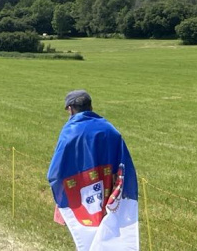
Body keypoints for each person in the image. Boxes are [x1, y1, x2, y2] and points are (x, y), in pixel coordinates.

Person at [47, 90, 139, 251]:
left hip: (82, 194)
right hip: (108, 191)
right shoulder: (110, 129)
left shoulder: (70, 132)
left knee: (84, 234)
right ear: (91, 106)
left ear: (70, 109)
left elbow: (55, 173)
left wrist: (61, 194)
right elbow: (123, 163)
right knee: (105, 232)